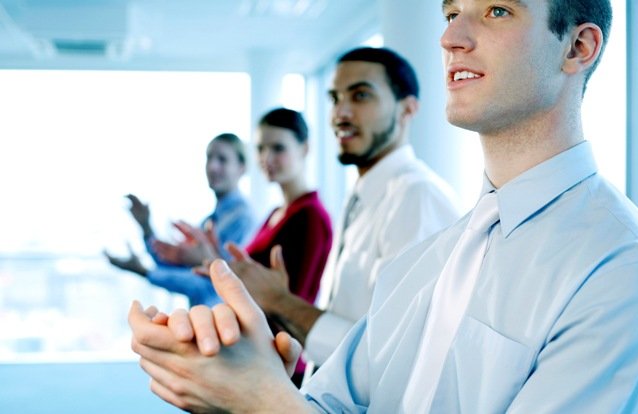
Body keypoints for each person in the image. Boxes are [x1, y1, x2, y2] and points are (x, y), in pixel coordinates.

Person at [130, 0, 638, 411]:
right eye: (450, 13)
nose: (449, 38)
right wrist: (247, 378)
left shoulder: (620, 266)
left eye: (497, 10)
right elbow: (332, 402)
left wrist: (264, 403)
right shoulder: (434, 256)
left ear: (578, 47)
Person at [219, 47, 461, 371]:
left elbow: (395, 354)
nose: (340, 113)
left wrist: (279, 301)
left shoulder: (417, 197)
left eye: (360, 96)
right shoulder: (362, 197)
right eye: (335, 98)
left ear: (407, 109)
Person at [186, 107, 333, 386]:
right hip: (260, 357)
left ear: (304, 149)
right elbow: (255, 281)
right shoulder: (277, 212)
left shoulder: (310, 216)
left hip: (281, 362)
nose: (267, 157)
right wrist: (215, 260)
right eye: (261, 148)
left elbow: (292, 300)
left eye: (278, 148)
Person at [105, 133, 256, 306]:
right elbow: (174, 267)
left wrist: (145, 272)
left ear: (242, 168)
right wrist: (146, 228)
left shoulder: (243, 219)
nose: (212, 166)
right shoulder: (209, 221)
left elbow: (211, 286)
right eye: (209, 158)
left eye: (222, 159)